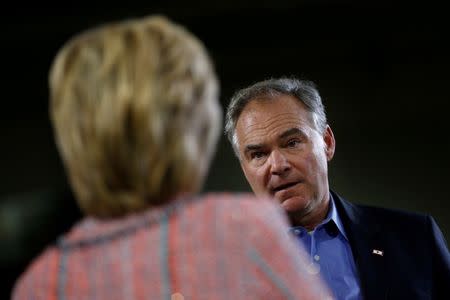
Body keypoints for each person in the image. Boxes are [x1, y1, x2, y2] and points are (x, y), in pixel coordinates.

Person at [11, 16, 332, 300]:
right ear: (189, 128)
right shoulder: (241, 232)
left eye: (291, 143)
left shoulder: (40, 283)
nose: (278, 165)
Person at [225, 77, 450, 300]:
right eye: (258, 154)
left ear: (327, 142)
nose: (277, 165)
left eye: (292, 143)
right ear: (244, 169)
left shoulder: (415, 238)